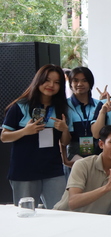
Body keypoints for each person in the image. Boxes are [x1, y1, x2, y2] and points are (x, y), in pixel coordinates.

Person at [2, 64, 72, 208]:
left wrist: (65, 130)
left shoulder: (62, 108)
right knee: (26, 212)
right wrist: (24, 131)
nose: (51, 85)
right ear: (38, 80)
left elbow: (65, 142)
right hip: (24, 170)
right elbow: (4, 137)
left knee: (60, 211)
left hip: (52, 169)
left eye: (57, 82)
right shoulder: (20, 106)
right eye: (47, 80)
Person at [53, 123, 111, 214]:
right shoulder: (83, 165)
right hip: (64, 217)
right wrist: (107, 187)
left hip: (96, 220)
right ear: (101, 144)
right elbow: (73, 202)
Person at [63, 67, 101, 174]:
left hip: (97, 151)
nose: (80, 84)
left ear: (90, 83)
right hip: (73, 152)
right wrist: (64, 158)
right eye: (75, 80)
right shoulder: (65, 105)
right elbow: (62, 139)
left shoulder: (99, 105)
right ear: (70, 83)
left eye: (84, 80)